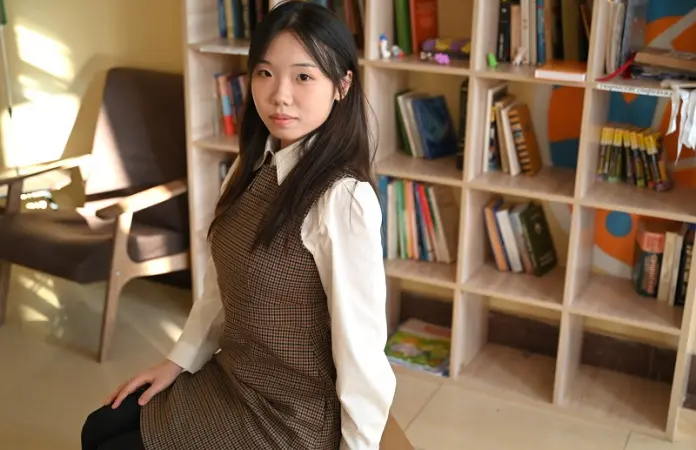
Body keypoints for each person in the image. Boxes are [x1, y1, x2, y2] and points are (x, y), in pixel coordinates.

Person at [80, 1, 397, 449]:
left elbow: (361, 350)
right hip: (235, 378)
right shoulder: (251, 167)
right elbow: (221, 287)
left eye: (303, 77)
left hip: (293, 417)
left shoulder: (343, 200)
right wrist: (178, 360)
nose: (279, 95)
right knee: (98, 427)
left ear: (342, 85)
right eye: (265, 73)